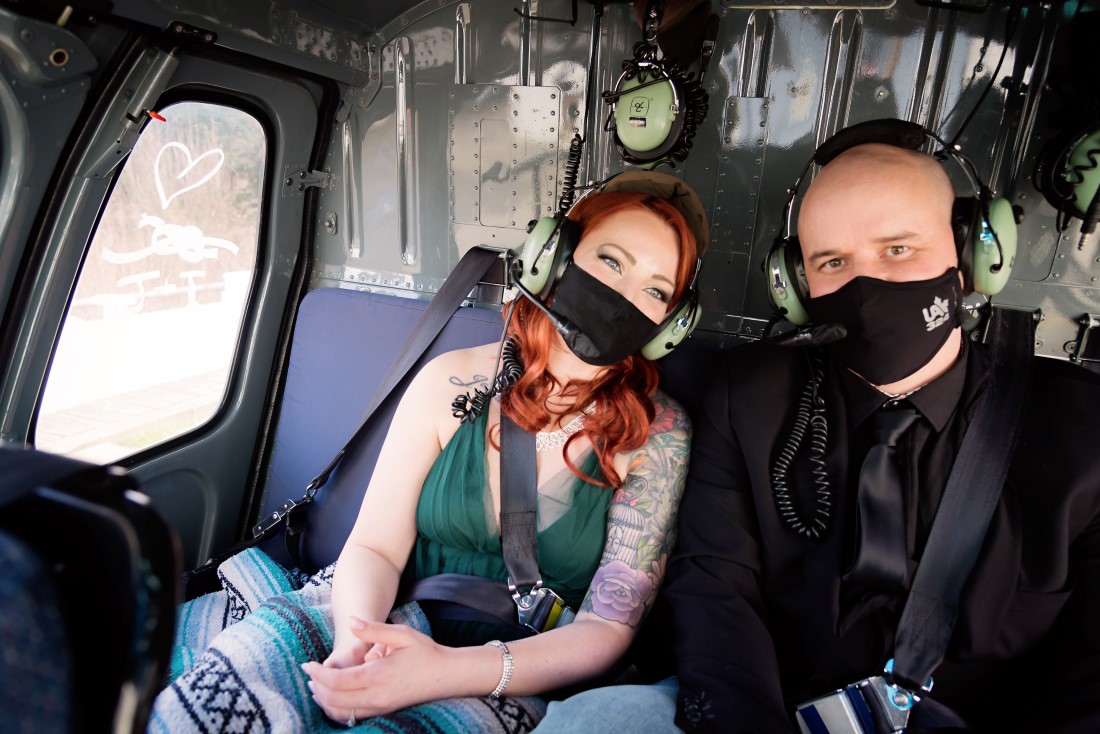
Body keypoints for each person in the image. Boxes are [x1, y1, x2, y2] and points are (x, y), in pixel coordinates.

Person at [534, 125, 1100, 733]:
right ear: (798, 287)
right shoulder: (748, 397)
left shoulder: (1079, 434)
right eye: (832, 262)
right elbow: (716, 586)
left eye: (898, 249)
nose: (865, 284)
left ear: (971, 257)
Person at [148, 170, 709, 733]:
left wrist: (442, 673)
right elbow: (373, 547)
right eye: (611, 262)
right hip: (381, 616)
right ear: (554, 258)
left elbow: (607, 629)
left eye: (656, 291)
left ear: (671, 325)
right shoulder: (452, 381)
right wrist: (356, 645)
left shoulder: (657, 436)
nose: (624, 298)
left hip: (513, 674)